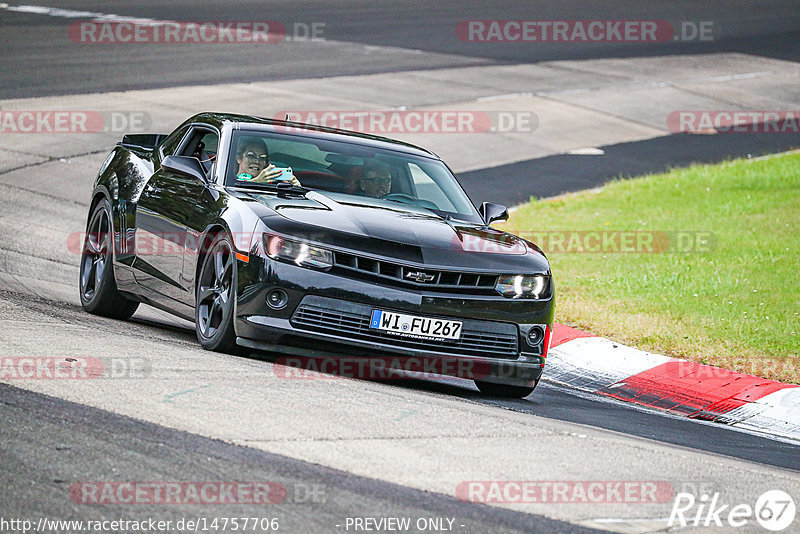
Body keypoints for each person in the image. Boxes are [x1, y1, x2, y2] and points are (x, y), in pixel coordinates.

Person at [234, 137, 301, 186]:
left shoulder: (275, 185)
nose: (257, 161)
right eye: (251, 155)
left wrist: (296, 188)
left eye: (262, 158)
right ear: (239, 158)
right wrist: (257, 182)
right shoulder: (228, 180)